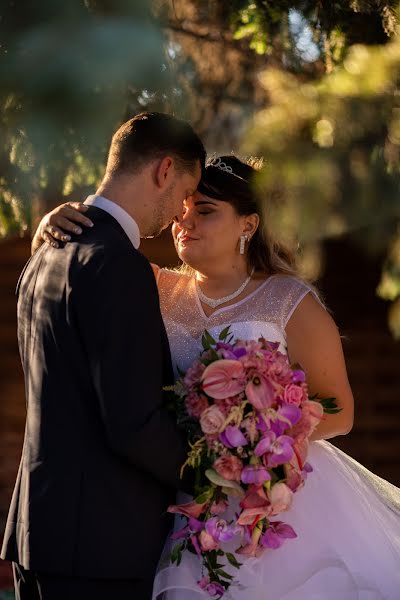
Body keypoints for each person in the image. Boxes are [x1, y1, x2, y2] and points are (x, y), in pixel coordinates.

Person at [30, 155, 400, 598]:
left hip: (277, 497)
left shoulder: (288, 300)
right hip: (188, 497)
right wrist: (54, 221)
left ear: (249, 224)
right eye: (182, 211)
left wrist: (252, 433)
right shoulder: (153, 287)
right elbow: (85, 258)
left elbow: (340, 413)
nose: (185, 222)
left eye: (205, 211)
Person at [0, 111, 206, 600]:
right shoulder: (119, 266)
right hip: (100, 545)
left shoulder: (46, 253)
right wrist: (215, 478)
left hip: (38, 532)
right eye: (184, 193)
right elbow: (133, 422)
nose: (181, 212)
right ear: (164, 170)